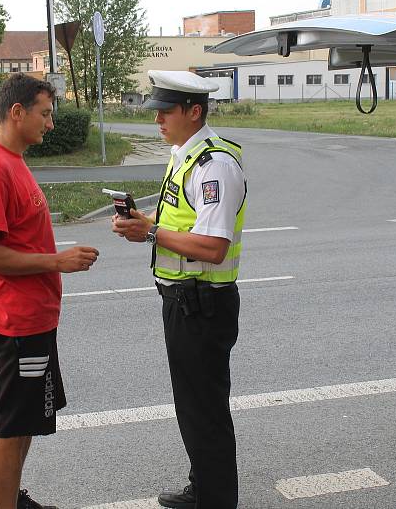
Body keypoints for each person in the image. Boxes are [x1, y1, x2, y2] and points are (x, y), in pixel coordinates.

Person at [111, 70, 247, 509]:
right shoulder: (184, 155)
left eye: (166, 112)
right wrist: (144, 222)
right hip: (184, 300)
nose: (158, 121)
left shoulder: (215, 166)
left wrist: (149, 231)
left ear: (194, 111)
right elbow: (179, 221)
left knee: (204, 409)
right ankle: (203, 488)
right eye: (156, 112)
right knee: (192, 406)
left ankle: (216, 500)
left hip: (203, 303)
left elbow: (212, 246)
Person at [0, 73, 99, 509]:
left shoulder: (13, 159)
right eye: (45, 114)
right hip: (16, 319)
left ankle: (13, 499)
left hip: (33, 316)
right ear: (17, 112)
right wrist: (57, 262)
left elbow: (18, 240)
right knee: (12, 424)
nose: (51, 124)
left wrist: (55, 259)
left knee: (25, 422)